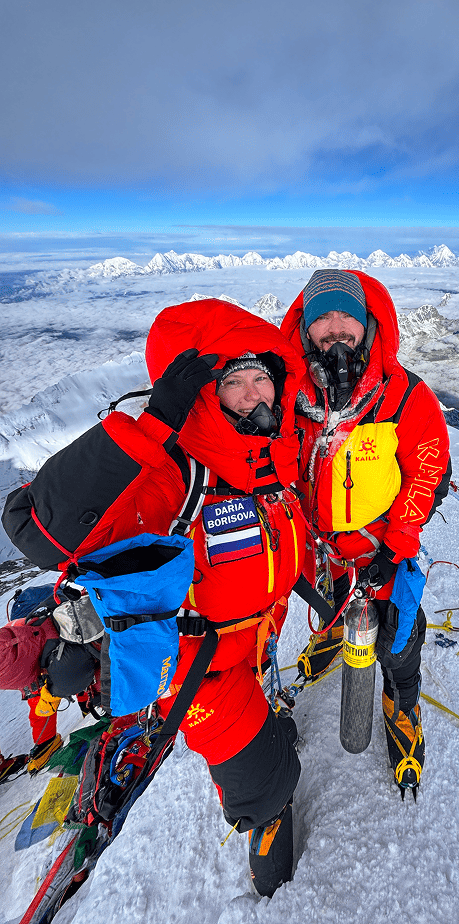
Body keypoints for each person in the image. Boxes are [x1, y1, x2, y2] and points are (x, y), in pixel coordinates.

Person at [3, 298, 313, 897]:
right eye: (234, 383)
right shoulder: (171, 475)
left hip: (255, 637)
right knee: (267, 783)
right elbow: (33, 527)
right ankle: (280, 892)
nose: (254, 396)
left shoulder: (273, 461)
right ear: (203, 394)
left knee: (264, 743)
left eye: (262, 380)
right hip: (204, 673)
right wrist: (149, 429)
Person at [281, 269, 451, 798]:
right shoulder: (288, 396)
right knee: (336, 606)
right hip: (322, 554)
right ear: (306, 330)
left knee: (398, 635)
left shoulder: (401, 396)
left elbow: (428, 470)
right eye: (322, 319)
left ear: (367, 323)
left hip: (382, 553)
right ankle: (335, 631)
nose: (336, 331)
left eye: (346, 317)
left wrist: (397, 546)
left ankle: (403, 705)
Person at [0, 610, 102, 774]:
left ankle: (47, 742)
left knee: (64, 678)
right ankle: (48, 740)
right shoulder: (17, 640)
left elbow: (68, 676)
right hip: (46, 641)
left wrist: (51, 694)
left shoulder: (53, 661)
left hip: (65, 647)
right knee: (46, 688)